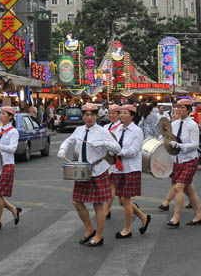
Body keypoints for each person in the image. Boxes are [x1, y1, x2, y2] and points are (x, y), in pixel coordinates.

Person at [58, 102, 118, 246]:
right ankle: (89, 228)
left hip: (98, 170)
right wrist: (62, 149)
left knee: (98, 204)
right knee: (77, 201)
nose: (89, 117)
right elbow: (69, 140)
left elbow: (117, 147)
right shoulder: (79, 130)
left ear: (97, 116)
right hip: (82, 170)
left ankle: (99, 235)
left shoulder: (102, 131)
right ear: (83, 116)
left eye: (92, 114)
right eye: (86, 114)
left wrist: (103, 143)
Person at [110, 105, 151, 238]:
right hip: (118, 168)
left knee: (125, 200)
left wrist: (118, 151)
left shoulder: (137, 131)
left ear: (132, 116)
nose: (121, 115)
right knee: (121, 200)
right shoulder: (117, 130)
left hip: (131, 168)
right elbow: (113, 145)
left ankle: (127, 229)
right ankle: (143, 217)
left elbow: (134, 151)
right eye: (120, 113)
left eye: (125, 113)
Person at [164, 99, 201, 228]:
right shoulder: (174, 124)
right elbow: (168, 138)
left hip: (189, 160)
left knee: (178, 188)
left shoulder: (192, 125)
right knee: (189, 190)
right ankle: (198, 216)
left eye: (181, 107)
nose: (178, 109)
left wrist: (180, 146)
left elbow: (195, 144)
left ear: (188, 109)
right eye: (177, 107)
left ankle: (176, 218)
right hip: (177, 160)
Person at [0, 106, 21, 230]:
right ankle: (13, 209)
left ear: (10, 116)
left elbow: (13, 149)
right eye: (0, 113)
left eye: (3, 113)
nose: (1, 116)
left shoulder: (13, 132)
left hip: (7, 164)